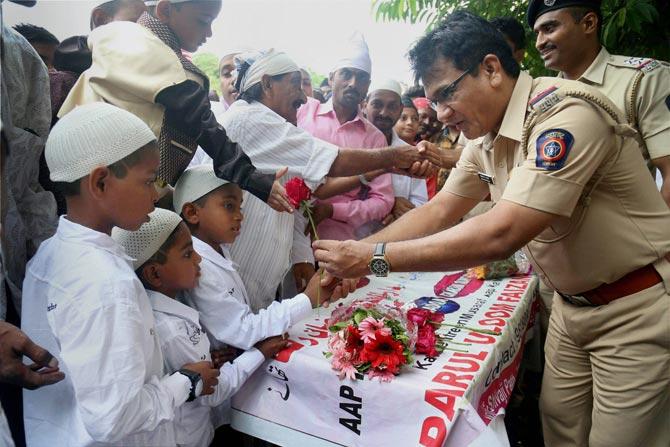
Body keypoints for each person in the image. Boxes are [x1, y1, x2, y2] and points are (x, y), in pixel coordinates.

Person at [313, 11, 670, 447]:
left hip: (633, 307)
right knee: (559, 429)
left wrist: (374, 259)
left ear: (491, 69)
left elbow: (502, 232)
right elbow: (441, 210)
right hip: (571, 310)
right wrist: (352, 256)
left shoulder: (565, 113)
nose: (441, 114)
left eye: (447, 94)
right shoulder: (484, 137)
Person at [21, 103, 220, 446]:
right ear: (100, 182)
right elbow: (115, 418)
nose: (156, 194)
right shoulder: (106, 282)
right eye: (147, 181)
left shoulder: (50, 255)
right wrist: (185, 383)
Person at [215, 49, 439, 310]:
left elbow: (294, 202)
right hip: (238, 266)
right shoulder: (249, 117)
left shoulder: (284, 125)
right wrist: (393, 158)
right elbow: (335, 161)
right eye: (295, 86)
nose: (302, 96)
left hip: (272, 270)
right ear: (266, 84)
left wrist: (301, 256)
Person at [59, 0, 289, 213]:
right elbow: (196, 116)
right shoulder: (130, 38)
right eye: (203, 21)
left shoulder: (147, 47)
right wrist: (251, 177)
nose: (208, 33)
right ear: (165, 10)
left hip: (115, 187)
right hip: (98, 186)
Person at [112, 207, 289, 447]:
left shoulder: (169, 308)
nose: (199, 259)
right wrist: (259, 352)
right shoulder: (171, 330)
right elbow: (213, 390)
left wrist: (212, 358)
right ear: (155, 274)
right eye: (187, 254)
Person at [175, 165, 345, 349]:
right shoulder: (198, 267)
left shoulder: (219, 250)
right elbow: (242, 330)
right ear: (192, 213)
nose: (240, 216)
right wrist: (307, 299)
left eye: (240, 207)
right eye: (229, 206)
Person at [528, 0, 670, 207]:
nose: (539, 42)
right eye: (537, 33)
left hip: (631, 234)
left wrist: (657, 236)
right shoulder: (539, 100)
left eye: (549, 28)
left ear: (588, 24)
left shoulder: (643, 80)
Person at [298, 34, 394, 241]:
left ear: (367, 86)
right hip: (290, 232)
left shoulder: (374, 139)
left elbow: (383, 201)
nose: (353, 83)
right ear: (332, 78)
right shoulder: (304, 112)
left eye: (361, 78)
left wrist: (333, 210)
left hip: (340, 243)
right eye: (346, 74)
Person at [363, 79, 427, 225]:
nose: (384, 113)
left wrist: (400, 215)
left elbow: (420, 202)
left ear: (400, 109)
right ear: (365, 105)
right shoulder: (349, 143)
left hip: (395, 236)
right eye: (377, 104)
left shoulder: (411, 153)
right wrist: (388, 204)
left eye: (392, 106)